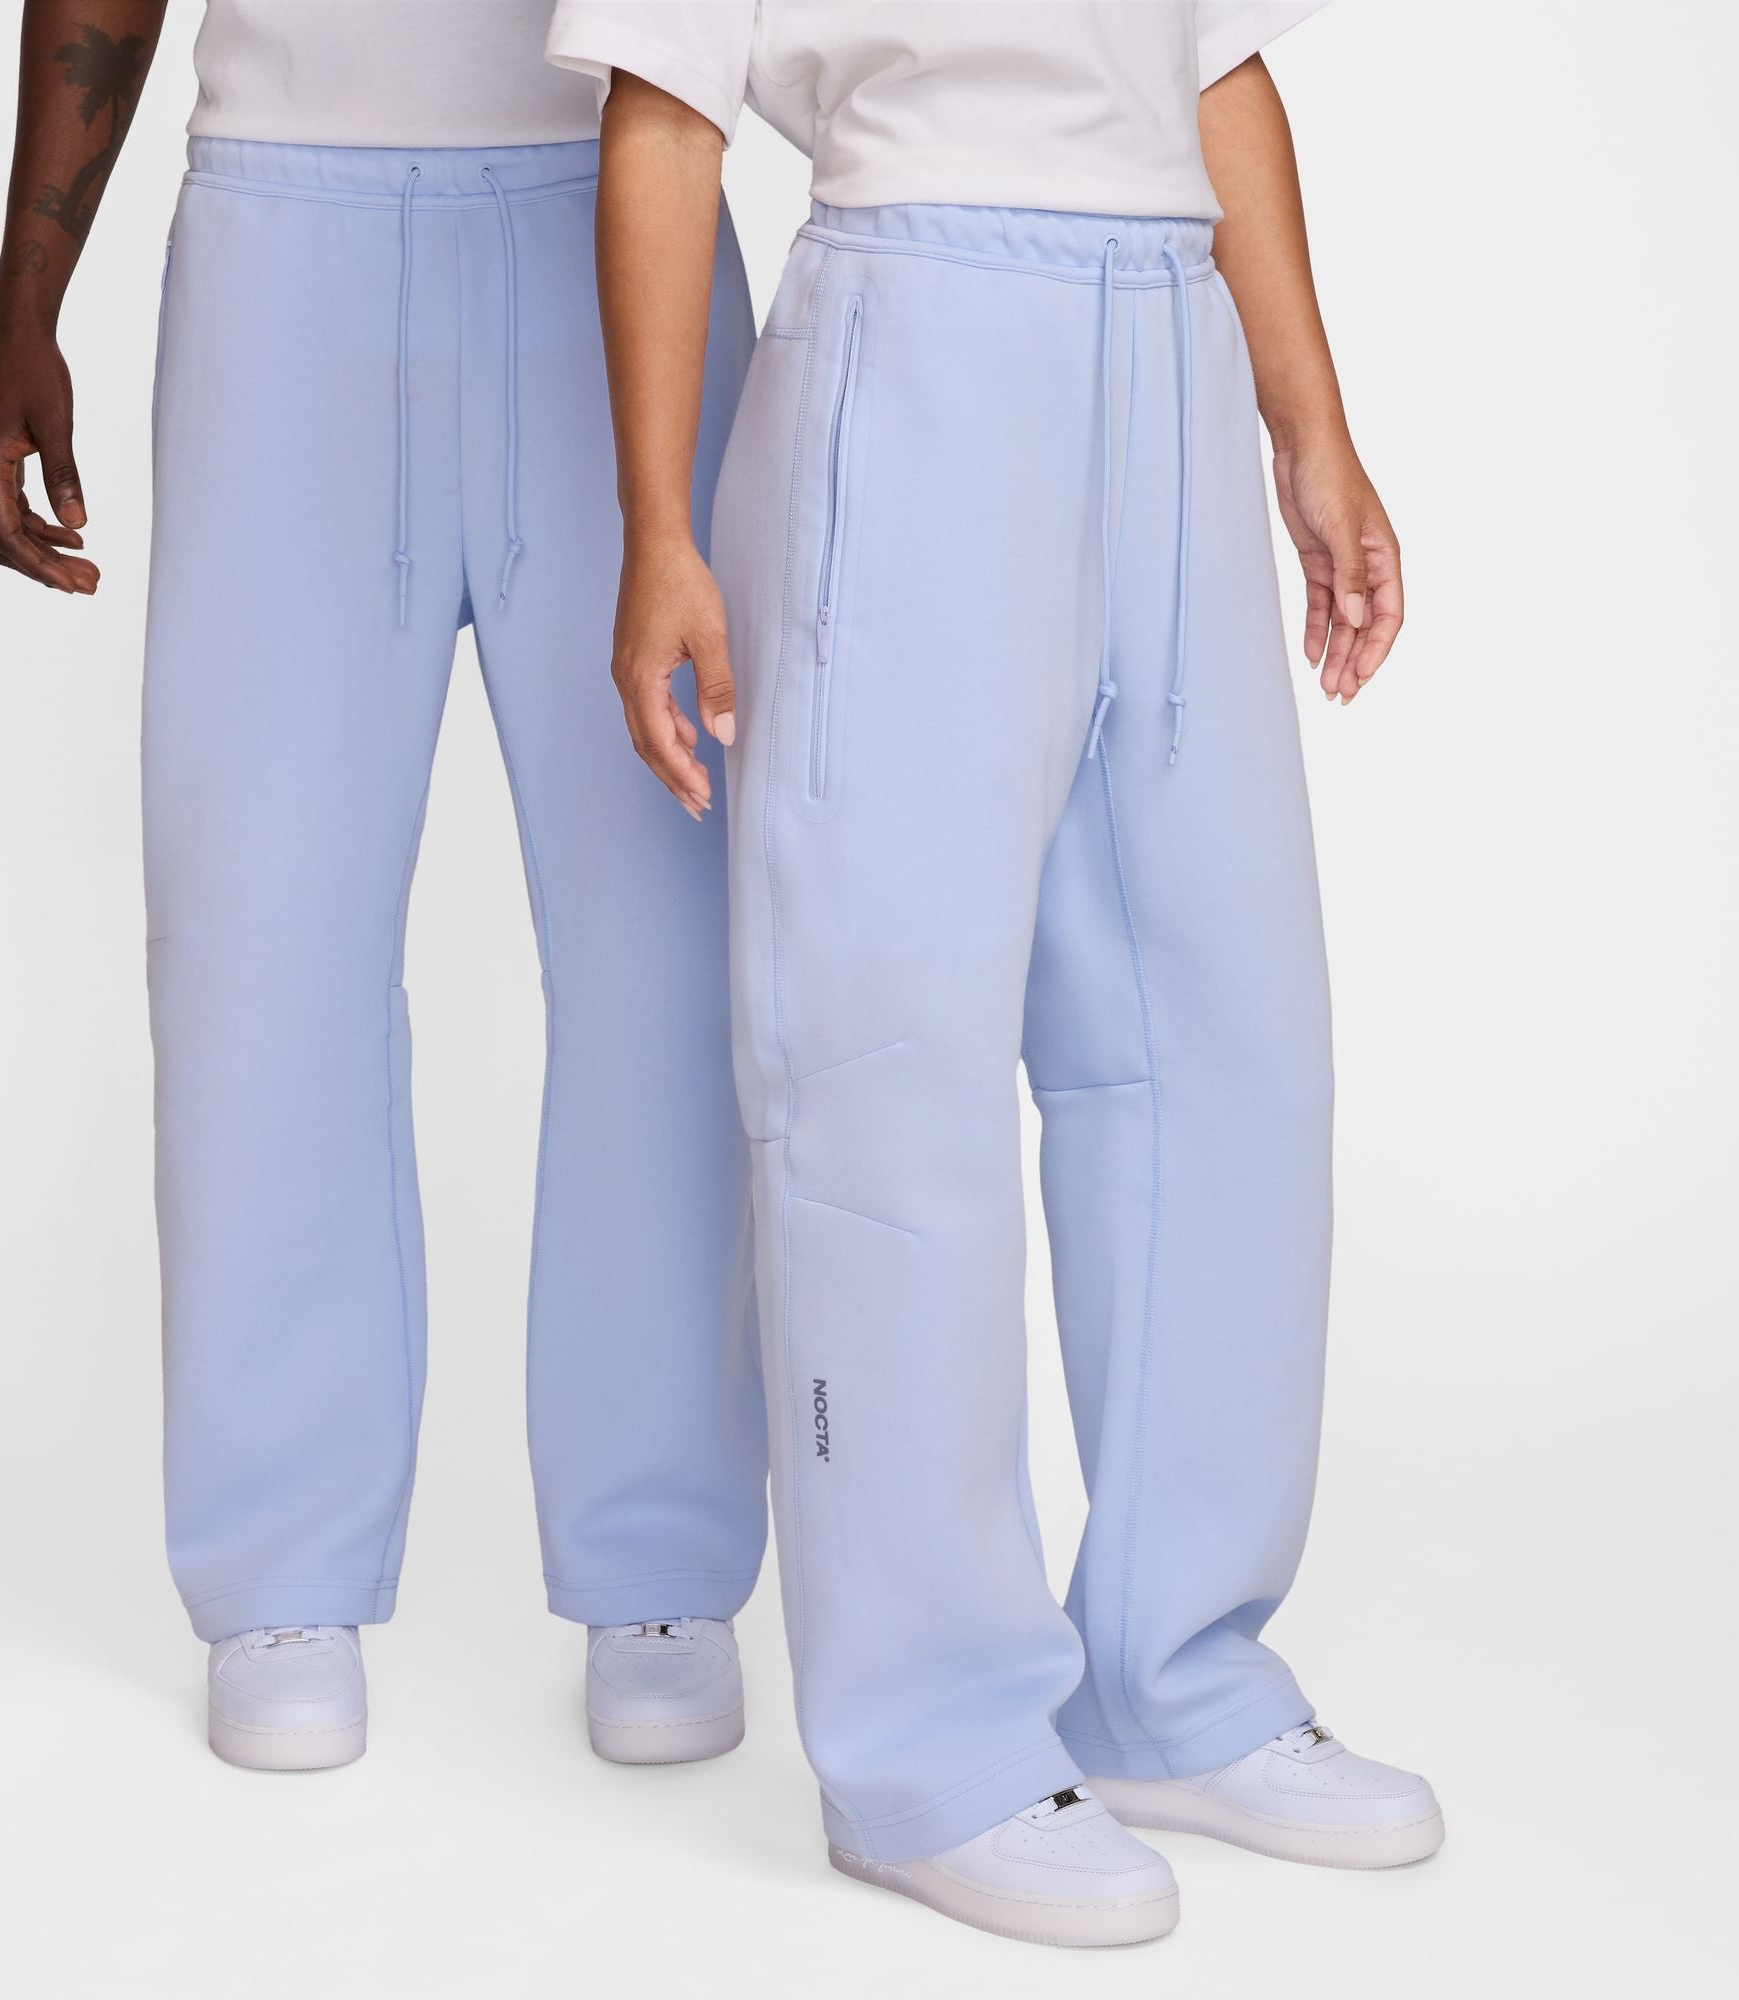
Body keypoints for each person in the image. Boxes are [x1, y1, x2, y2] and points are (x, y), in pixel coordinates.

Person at [547, 0, 1439, 1946]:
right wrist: (657, 526)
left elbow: (1215, 68)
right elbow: (664, 116)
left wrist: (1311, 428)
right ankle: (927, 1738)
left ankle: (1172, 1675)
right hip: (917, 330)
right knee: (886, 1057)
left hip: (1171, 341)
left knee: (1224, 1051)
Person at [0, 0, 767, 1772]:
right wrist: (29, 296)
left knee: (670, 925)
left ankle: (662, 1556)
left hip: (622, 195)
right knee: (257, 930)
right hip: (284, 219)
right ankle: (281, 1563)